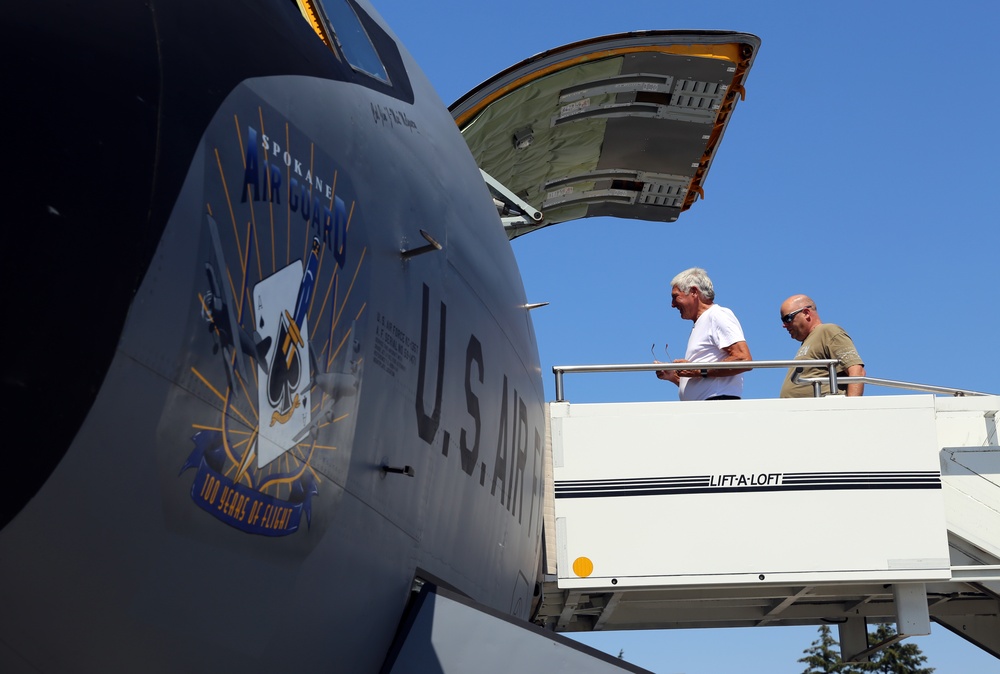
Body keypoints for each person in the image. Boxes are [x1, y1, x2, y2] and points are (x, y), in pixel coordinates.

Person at [655, 267, 751, 400]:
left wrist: (698, 370)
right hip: (703, 408)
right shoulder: (701, 323)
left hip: (717, 406)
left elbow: (743, 359)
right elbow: (702, 381)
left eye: (675, 297)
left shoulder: (717, 315)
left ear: (694, 292)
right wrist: (674, 376)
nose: (672, 304)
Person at [778, 294, 865, 397]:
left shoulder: (828, 331)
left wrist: (851, 409)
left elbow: (857, 371)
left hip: (821, 410)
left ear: (806, 313)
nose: (784, 325)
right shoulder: (810, 340)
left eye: (787, 318)